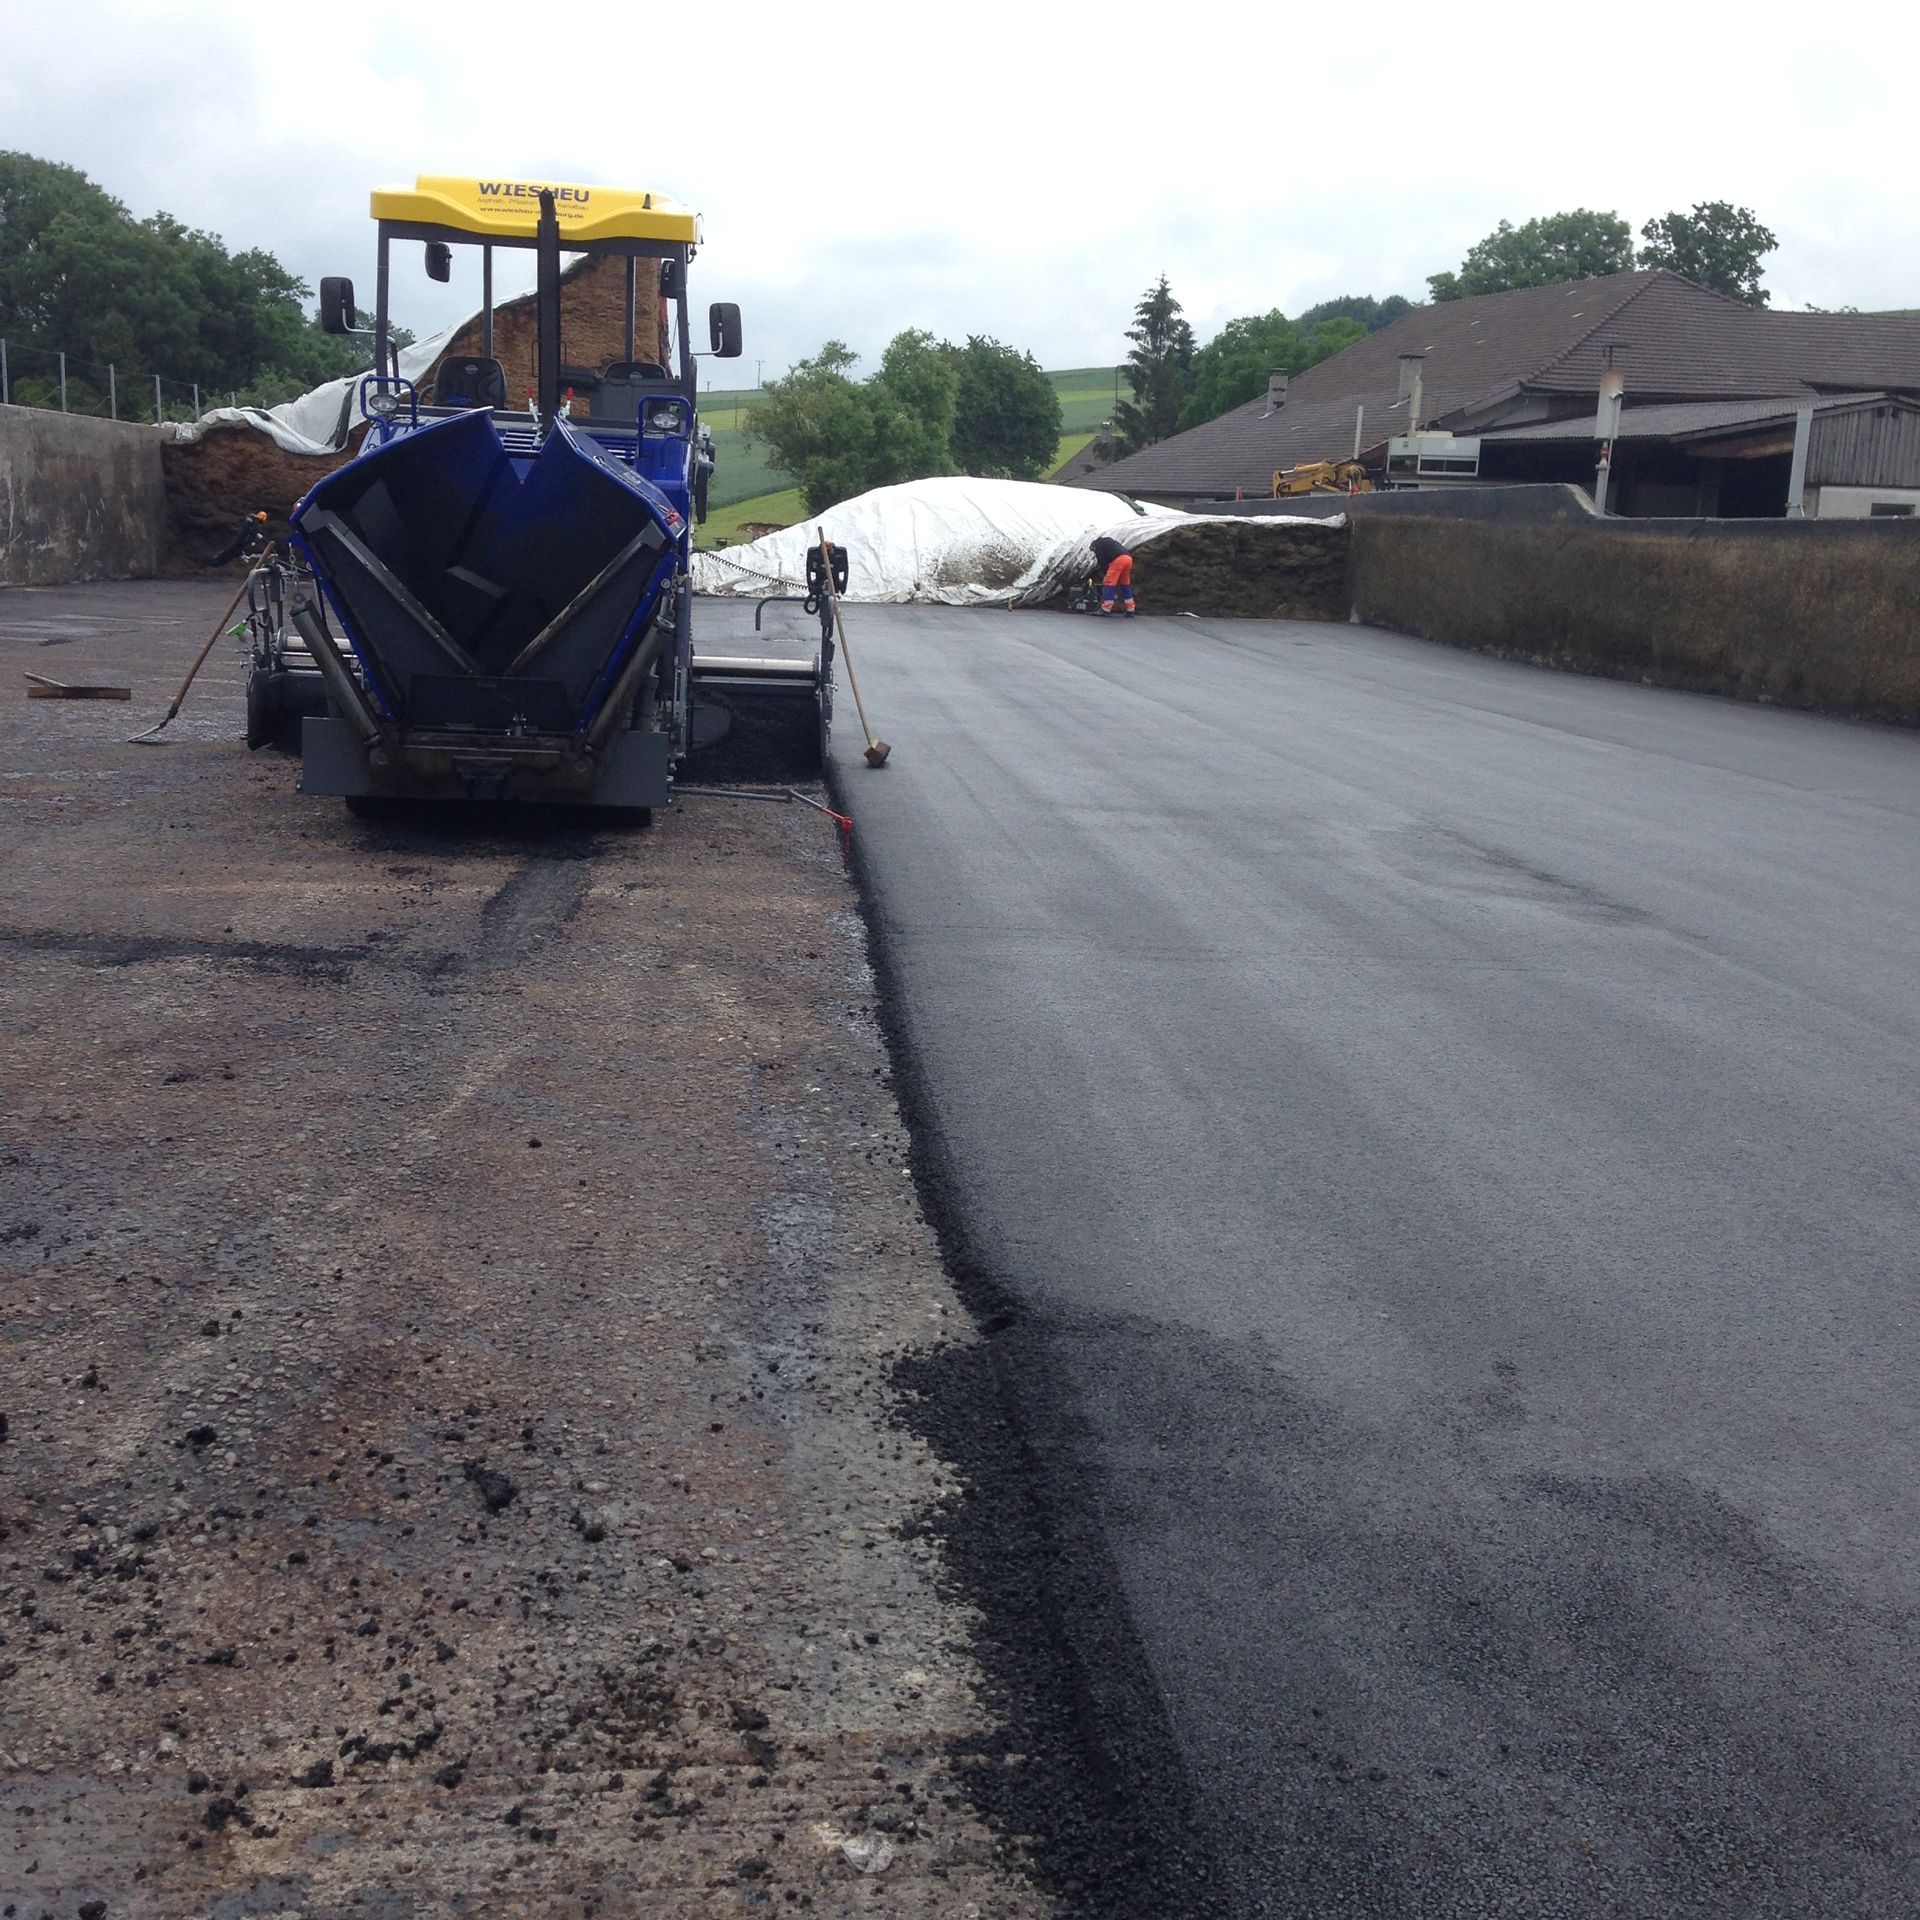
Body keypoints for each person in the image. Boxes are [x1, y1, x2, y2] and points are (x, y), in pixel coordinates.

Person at [1092, 537, 1136, 616]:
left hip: (1118, 560)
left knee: (1109, 584)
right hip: (1128, 559)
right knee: (1125, 584)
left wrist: (1105, 574)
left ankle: (1106, 609)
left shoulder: (1098, 546)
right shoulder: (1109, 541)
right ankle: (1130, 609)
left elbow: (1102, 562)